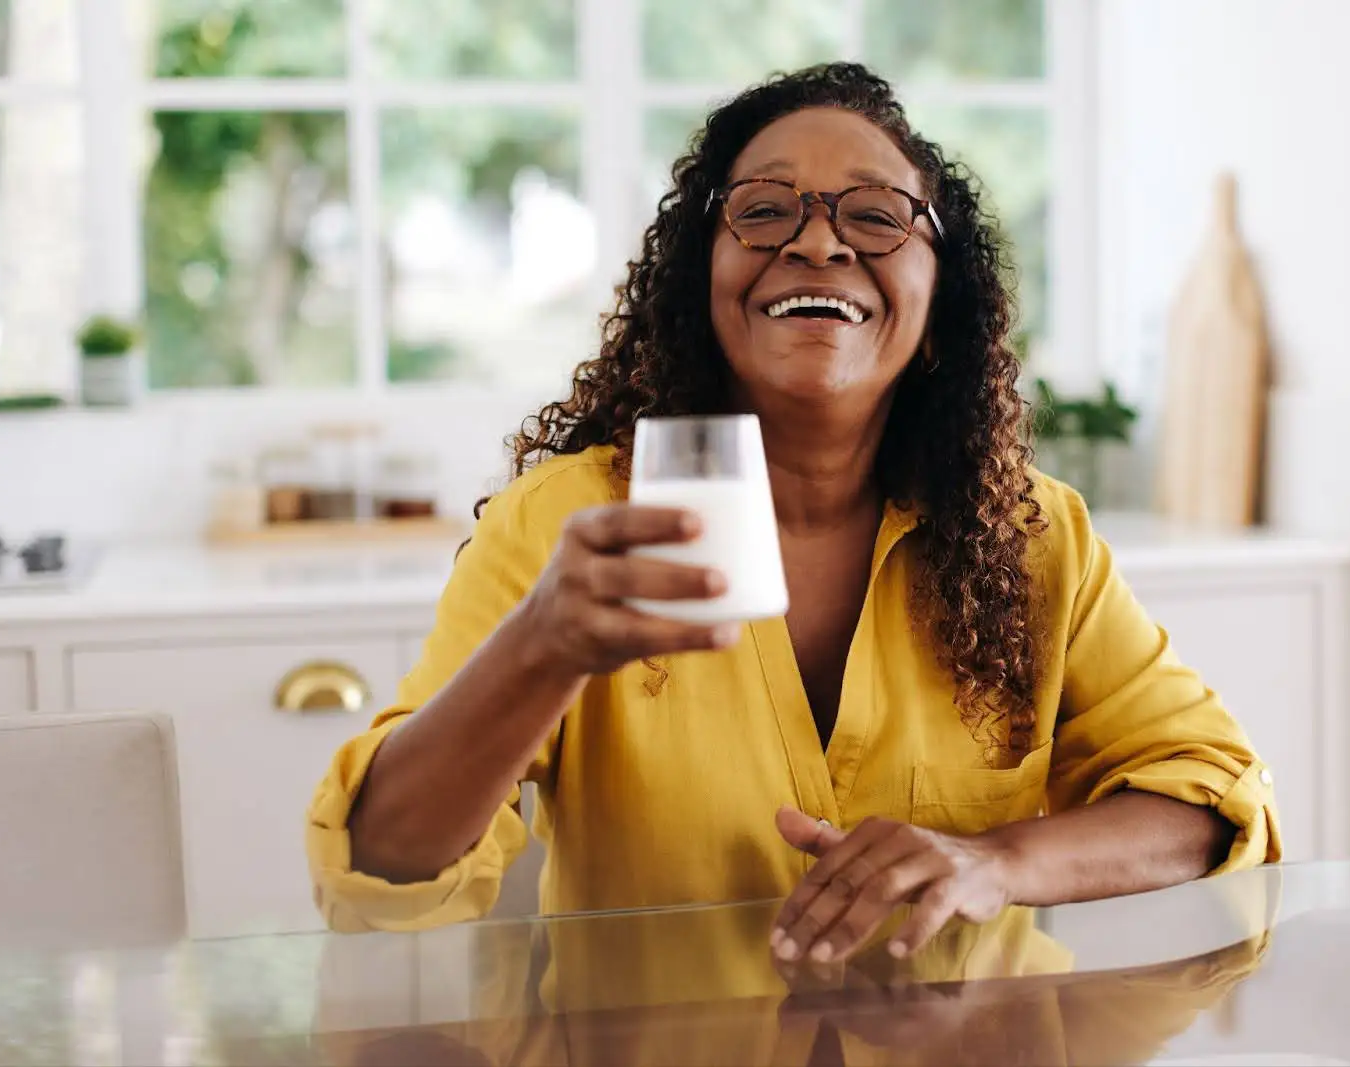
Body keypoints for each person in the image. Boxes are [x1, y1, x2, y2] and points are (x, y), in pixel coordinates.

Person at [306, 62, 1281, 963]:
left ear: (941, 304)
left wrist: (996, 861)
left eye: (877, 214)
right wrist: (541, 648)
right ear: (703, 289)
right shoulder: (568, 522)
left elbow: (1212, 796)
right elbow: (379, 880)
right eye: (764, 209)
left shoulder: (1031, 536)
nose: (816, 240)